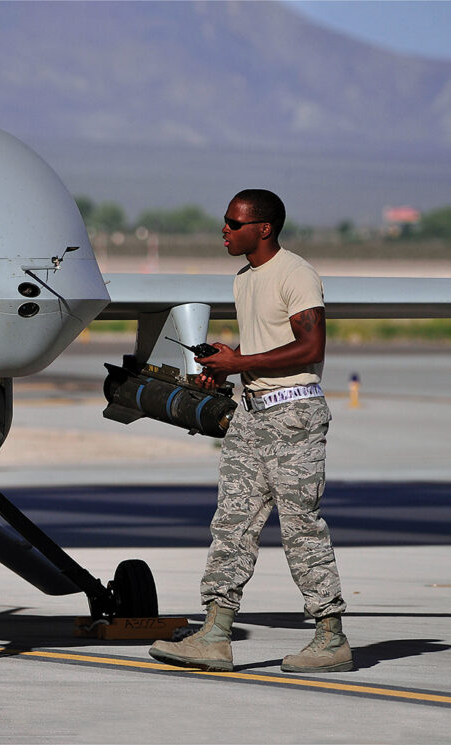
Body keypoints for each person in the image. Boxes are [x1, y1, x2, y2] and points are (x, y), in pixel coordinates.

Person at [148, 189, 352, 674]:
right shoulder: (244, 279)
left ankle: (331, 637)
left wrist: (241, 361)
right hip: (251, 415)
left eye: (233, 223)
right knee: (232, 525)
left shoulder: (296, 274)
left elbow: (310, 347)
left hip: (293, 417)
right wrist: (227, 366)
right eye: (225, 221)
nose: (225, 229)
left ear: (263, 228)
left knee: (301, 527)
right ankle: (215, 636)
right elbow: (267, 343)